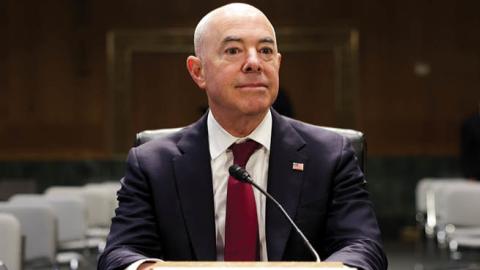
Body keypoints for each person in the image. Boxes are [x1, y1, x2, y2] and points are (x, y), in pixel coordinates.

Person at [98, 3, 387, 270]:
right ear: (198, 71)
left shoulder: (329, 155)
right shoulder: (152, 163)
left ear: (278, 64)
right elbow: (121, 252)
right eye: (234, 50)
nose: (254, 62)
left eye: (265, 51)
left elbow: (363, 247)